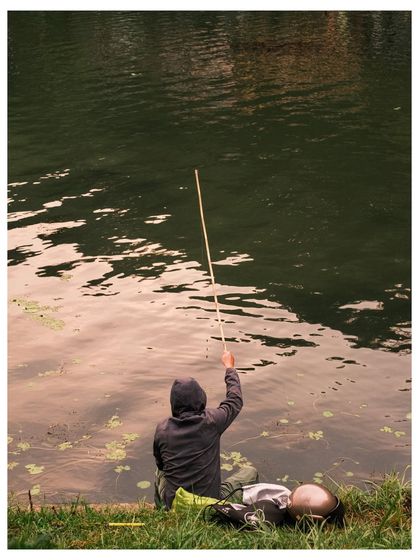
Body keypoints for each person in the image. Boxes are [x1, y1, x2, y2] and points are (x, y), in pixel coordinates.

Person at [153, 350, 258, 509]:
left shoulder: (162, 430)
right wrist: (229, 367)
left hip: (177, 504)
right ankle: (244, 512)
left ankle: (161, 509)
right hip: (211, 504)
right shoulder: (212, 421)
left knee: (159, 473)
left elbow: (161, 465)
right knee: (250, 472)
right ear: (201, 398)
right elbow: (235, 400)